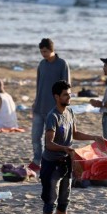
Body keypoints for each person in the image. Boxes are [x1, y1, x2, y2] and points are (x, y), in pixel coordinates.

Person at [41, 80, 104, 214]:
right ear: (56, 96)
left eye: (70, 94)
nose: (70, 97)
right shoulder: (53, 116)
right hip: (52, 164)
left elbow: (74, 133)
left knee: (64, 201)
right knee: (50, 202)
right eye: (66, 94)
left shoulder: (69, 112)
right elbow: (48, 143)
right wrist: (65, 149)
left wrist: (94, 137)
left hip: (66, 163)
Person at [30, 38, 71, 172]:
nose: (44, 54)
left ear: (52, 50)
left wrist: (63, 106)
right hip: (39, 107)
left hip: (53, 110)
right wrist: (35, 101)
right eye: (41, 52)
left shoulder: (62, 64)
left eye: (46, 51)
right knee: (35, 136)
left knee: (54, 139)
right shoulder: (42, 64)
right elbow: (38, 85)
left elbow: (66, 88)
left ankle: (52, 161)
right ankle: (37, 160)